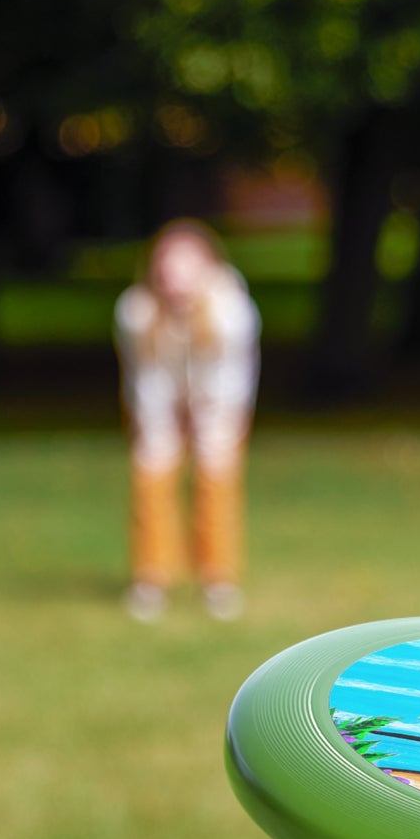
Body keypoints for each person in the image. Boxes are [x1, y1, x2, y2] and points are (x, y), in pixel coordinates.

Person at [114, 219, 261, 622]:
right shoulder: (136, 311)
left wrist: (208, 422)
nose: (175, 279)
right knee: (151, 474)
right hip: (158, 402)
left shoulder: (232, 311)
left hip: (219, 404)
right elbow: (145, 378)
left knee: (216, 479)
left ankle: (218, 580)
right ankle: (151, 578)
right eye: (167, 268)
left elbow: (232, 378)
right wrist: (161, 427)